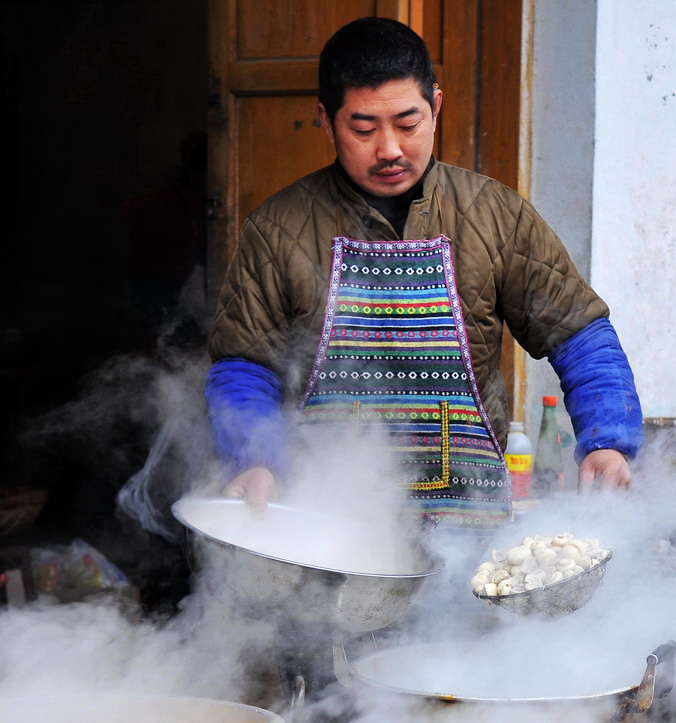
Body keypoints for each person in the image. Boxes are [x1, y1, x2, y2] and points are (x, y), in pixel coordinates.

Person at [205, 16, 643, 531]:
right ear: (325, 120)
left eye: (408, 124)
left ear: (436, 106)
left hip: (467, 536)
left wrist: (608, 441)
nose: (389, 148)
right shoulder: (278, 230)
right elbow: (244, 366)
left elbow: (579, 333)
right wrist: (255, 458)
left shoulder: (495, 215)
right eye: (363, 129)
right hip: (324, 528)